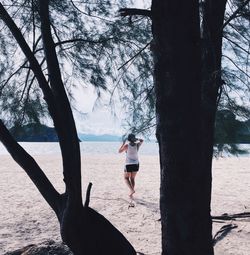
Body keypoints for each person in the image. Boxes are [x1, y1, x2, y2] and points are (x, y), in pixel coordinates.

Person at [118, 133, 144, 198]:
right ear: (134, 138)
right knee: (132, 179)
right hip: (136, 164)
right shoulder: (137, 145)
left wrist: (123, 143)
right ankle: (131, 193)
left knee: (126, 178)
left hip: (128, 164)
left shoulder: (126, 145)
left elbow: (119, 151)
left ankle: (132, 190)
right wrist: (136, 139)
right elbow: (142, 140)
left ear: (128, 139)